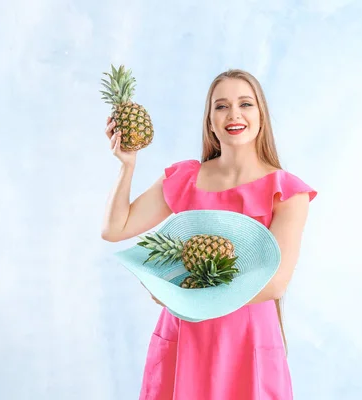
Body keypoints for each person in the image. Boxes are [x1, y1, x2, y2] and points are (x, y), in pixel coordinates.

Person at [101, 69, 317, 399]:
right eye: (221, 106)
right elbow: (115, 228)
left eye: (245, 103)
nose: (234, 115)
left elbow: (274, 284)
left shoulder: (286, 191)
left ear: (261, 114)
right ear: (210, 121)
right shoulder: (186, 178)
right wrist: (127, 164)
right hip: (184, 337)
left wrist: (179, 293)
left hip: (248, 342)